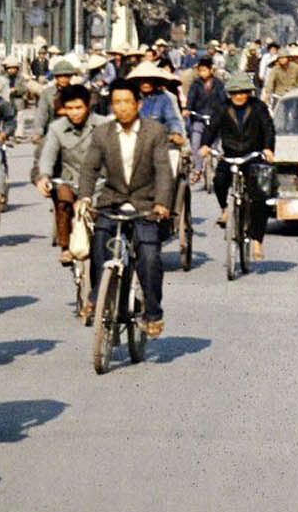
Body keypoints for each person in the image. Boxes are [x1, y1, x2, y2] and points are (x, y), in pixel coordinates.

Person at [75, 82, 173, 335]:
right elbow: (89, 168)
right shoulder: (102, 133)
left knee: (149, 257)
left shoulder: (155, 132)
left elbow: (163, 170)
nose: (122, 108)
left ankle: (153, 313)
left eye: (127, 102)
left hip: (146, 204)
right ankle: (97, 296)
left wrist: (162, 202)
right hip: (112, 201)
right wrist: (84, 197)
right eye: (117, 102)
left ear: (138, 104)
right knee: (100, 243)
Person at [203, 73, 276, 261]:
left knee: (259, 198)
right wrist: (205, 145)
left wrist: (268, 148)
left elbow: (268, 128)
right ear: (230, 94)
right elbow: (212, 128)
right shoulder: (222, 108)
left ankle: (257, 239)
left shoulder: (258, 107)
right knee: (219, 181)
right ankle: (224, 209)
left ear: (249, 93)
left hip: (252, 156)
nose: (239, 96)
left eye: (243, 92)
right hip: (230, 155)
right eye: (235, 92)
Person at [34, 84, 94, 262]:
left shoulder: (102, 125)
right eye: (69, 108)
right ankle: (65, 246)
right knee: (62, 201)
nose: (74, 113)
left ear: (87, 106)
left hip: (97, 182)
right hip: (70, 179)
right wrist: (44, 176)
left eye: (78, 107)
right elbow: (48, 155)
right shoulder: (56, 128)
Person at [184, 58, 224, 185]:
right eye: (200, 70)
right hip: (199, 117)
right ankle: (198, 169)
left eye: (205, 70)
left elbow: (223, 99)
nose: (202, 73)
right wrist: (188, 109)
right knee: (195, 143)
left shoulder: (218, 84)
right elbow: (191, 98)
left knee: (216, 145)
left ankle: (219, 169)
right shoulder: (196, 84)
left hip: (215, 119)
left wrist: (223, 110)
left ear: (211, 70)